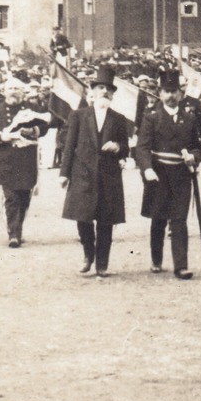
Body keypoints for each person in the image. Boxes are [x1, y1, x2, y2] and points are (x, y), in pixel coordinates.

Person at [59, 64, 131, 278]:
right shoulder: (79, 116)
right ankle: (88, 255)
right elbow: (69, 145)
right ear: (92, 91)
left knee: (106, 221)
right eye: (100, 88)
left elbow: (126, 146)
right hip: (83, 175)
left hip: (108, 177)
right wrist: (64, 173)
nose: (104, 92)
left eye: (108, 89)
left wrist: (118, 147)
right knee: (83, 218)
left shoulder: (119, 119)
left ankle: (102, 264)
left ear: (113, 94)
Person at [134, 69, 201, 279]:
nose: (170, 96)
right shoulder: (152, 117)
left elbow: (197, 147)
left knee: (179, 220)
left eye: (174, 91)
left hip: (182, 175)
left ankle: (180, 266)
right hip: (158, 174)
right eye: (166, 91)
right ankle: (157, 259)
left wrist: (194, 156)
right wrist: (147, 169)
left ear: (180, 93)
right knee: (158, 219)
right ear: (160, 93)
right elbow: (142, 147)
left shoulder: (189, 118)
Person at [0, 76, 52, 247]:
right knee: (11, 197)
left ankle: (18, 227)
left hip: (26, 160)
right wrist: (0, 136)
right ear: (4, 92)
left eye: (16, 89)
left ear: (23, 92)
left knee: (24, 197)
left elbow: (45, 126)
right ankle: (13, 233)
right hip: (6, 159)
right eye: (10, 89)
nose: (13, 92)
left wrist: (34, 130)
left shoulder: (32, 108)